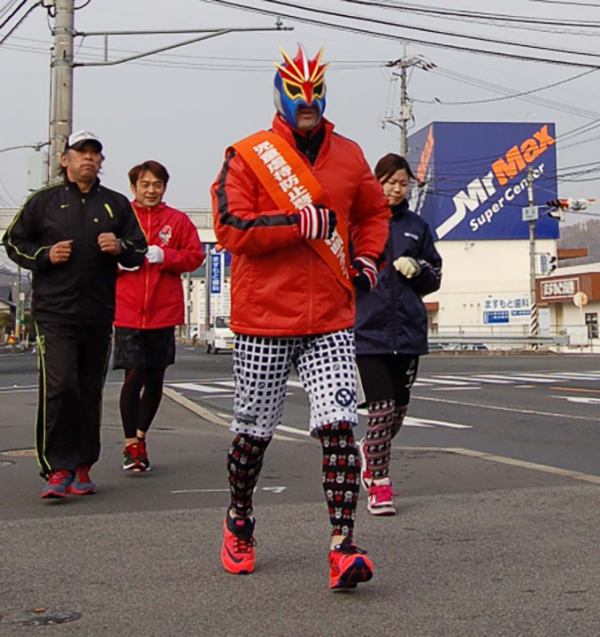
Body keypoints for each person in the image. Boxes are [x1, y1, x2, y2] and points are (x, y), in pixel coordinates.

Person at [211, 44, 389, 590]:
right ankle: (239, 518)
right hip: (264, 318)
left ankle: (343, 545)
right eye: (296, 91)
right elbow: (230, 228)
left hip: (331, 316)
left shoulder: (351, 154)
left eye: (315, 91)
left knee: (338, 427)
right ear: (281, 94)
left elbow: (373, 213)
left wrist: (368, 258)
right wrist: (295, 224)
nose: (307, 101)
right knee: (253, 434)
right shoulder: (247, 155)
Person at [2, 131, 147, 499]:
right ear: (65, 159)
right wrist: (45, 255)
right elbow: (13, 241)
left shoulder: (115, 204)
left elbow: (138, 248)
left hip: (98, 312)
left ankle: (83, 465)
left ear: (101, 162)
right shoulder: (44, 202)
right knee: (61, 386)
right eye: (81, 152)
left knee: (88, 389)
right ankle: (57, 468)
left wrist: (120, 247)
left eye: (94, 153)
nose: (88, 158)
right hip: (54, 313)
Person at [355, 153, 442, 516]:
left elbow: (435, 277)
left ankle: (369, 450)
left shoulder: (417, 227)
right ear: (376, 182)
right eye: (390, 182)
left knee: (398, 412)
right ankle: (379, 484)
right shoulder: (357, 223)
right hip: (366, 332)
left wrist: (418, 268)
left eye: (403, 184)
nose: (396, 189)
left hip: (407, 333)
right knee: (381, 409)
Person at [113, 160, 205, 472]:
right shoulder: (120, 218)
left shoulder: (177, 220)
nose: (151, 190)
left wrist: (166, 255)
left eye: (157, 185)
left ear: (164, 188)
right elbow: (97, 254)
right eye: (145, 184)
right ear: (133, 187)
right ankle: (130, 445)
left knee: (155, 379)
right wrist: (119, 263)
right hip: (127, 311)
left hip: (164, 312)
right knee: (134, 374)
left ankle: (141, 438)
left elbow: (195, 256)